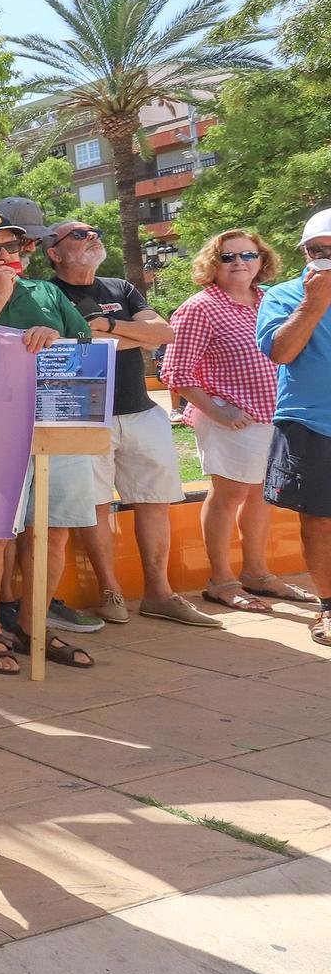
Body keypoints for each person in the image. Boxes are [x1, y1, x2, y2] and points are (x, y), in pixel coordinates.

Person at [0, 206, 97, 673]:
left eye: (12, 247)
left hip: (55, 427)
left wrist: (51, 334)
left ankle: (33, 625)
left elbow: (85, 351)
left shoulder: (48, 292)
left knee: (52, 530)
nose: (4, 256)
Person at [44, 220, 202, 626]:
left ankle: (159, 592)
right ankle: (110, 592)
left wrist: (107, 326)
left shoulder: (120, 288)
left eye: (93, 230)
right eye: (78, 234)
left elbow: (164, 333)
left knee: (154, 500)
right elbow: (70, 344)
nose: (91, 236)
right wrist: (135, 335)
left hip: (141, 411)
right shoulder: (47, 292)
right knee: (95, 504)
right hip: (84, 415)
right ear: (54, 252)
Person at [162, 231, 312, 612]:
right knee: (228, 497)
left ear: (262, 260)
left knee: (264, 496)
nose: (239, 263)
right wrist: (217, 411)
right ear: (212, 264)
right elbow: (175, 371)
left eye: (248, 254)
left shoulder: (272, 300)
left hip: (273, 417)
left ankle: (257, 574)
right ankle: (220, 581)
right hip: (231, 420)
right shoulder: (200, 307)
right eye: (228, 257)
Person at [256, 207, 331, 649]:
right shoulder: (283, 295)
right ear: (304, 251)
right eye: (316, 250)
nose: (324, 258)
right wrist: (314, 303)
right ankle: (328, 604)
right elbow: (281, 352)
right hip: (311, 422)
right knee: (320, 518)